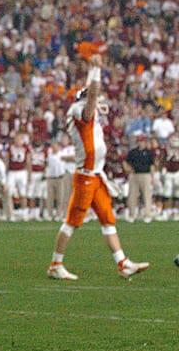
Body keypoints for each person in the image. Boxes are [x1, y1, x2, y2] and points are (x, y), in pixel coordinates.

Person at [47, 54, 149, 280]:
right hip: (85, 178)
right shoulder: (79, 114)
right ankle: (55, 264)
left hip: (96, 177)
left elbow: (92, 99)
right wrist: (95, 70)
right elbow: (92, 97)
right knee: (72, 223)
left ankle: (122, 263)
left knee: (107, 219)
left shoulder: (85, 117)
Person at [123, 135, 155, 223]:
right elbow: (126, 162)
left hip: (145, 174)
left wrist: (153, 177)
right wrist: (128, 169)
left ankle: (147, 214)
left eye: (143, 141)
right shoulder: (133, 152)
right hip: (134, 175)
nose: (141, 143)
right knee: (132, 195)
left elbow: (152, 165)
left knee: (147, 196)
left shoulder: (148, 152)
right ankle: (132, 214)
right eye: (140, 141)